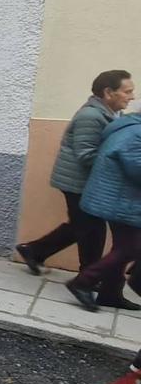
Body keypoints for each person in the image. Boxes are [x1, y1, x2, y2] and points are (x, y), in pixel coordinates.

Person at [17, 70, 134, 307]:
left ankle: (35, 251)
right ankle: (86, 281)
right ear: (108, 92)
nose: (131, 96)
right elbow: (86, 154)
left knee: (81, 227)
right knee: (91, 232)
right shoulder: (91, 116)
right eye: (127, 91)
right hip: (76, 184)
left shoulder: (110, 112)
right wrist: (119, 165)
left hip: (88, 184)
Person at [65, 108, 141, 310]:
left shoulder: (130, 127)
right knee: (129, 248)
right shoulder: (135, 133)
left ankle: (110, 293)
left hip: (121, 198)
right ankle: (82, 282)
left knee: (124, 248)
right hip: (119, 199)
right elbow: (137, 169)